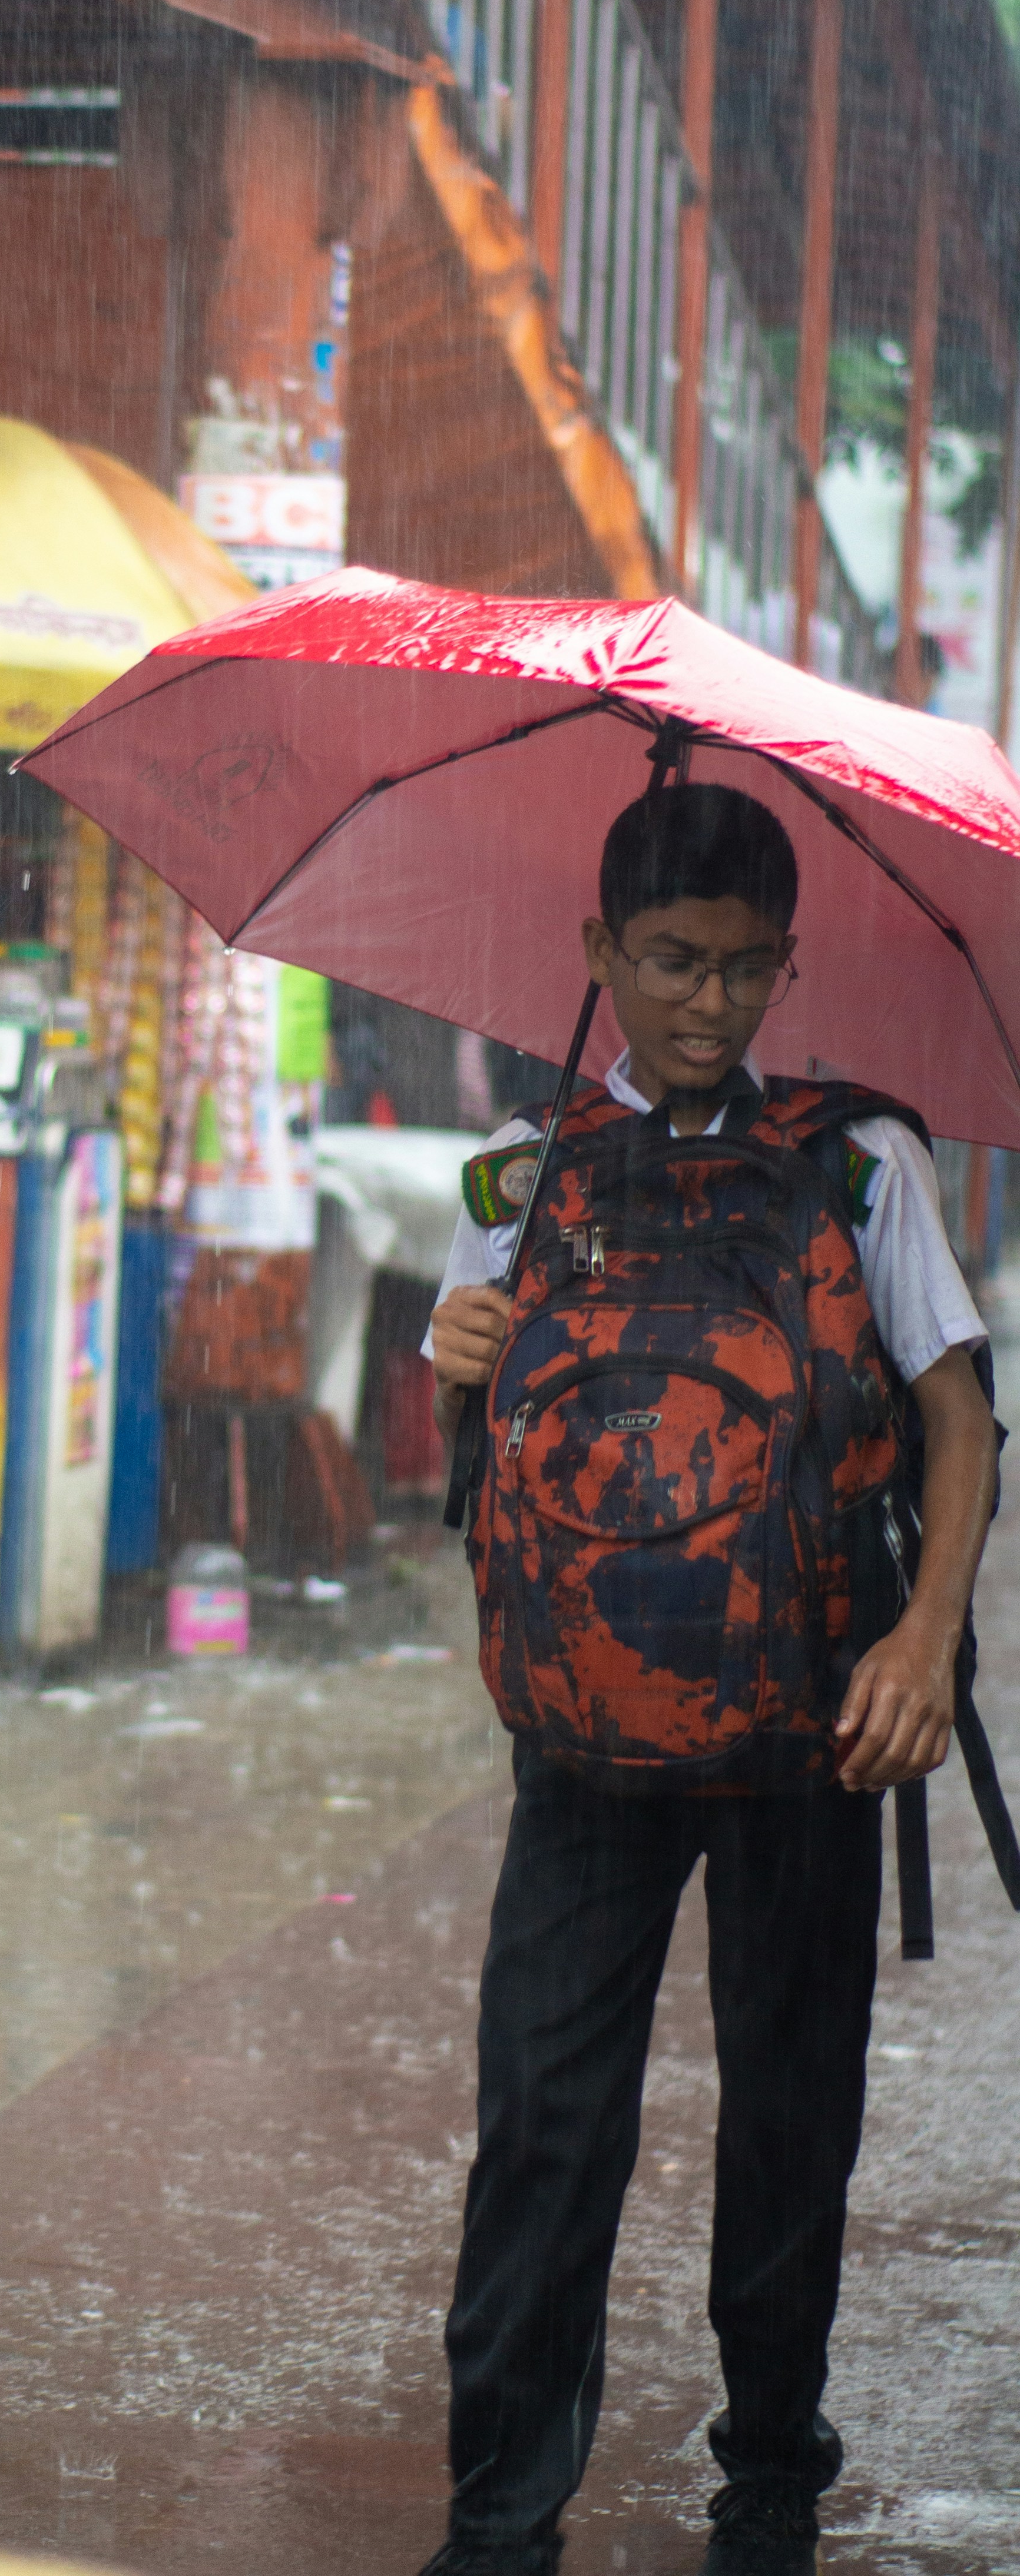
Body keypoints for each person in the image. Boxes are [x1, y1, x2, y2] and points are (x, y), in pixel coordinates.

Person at [419, 783, 999, 2576]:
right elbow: (482, 1462)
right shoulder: (521, 1182)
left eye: (747, 969)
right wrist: (457, 1360)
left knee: (791, 2117)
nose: (706, 1003)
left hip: (813, 1727)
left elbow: (961, 1417)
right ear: (600, 954)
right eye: (669, 962)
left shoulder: (858, 1167)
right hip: (582, 1743)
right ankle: (502, 2520)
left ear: (786, 968)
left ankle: (767, 2482)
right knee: (544, 2128)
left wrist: (920, 1638)